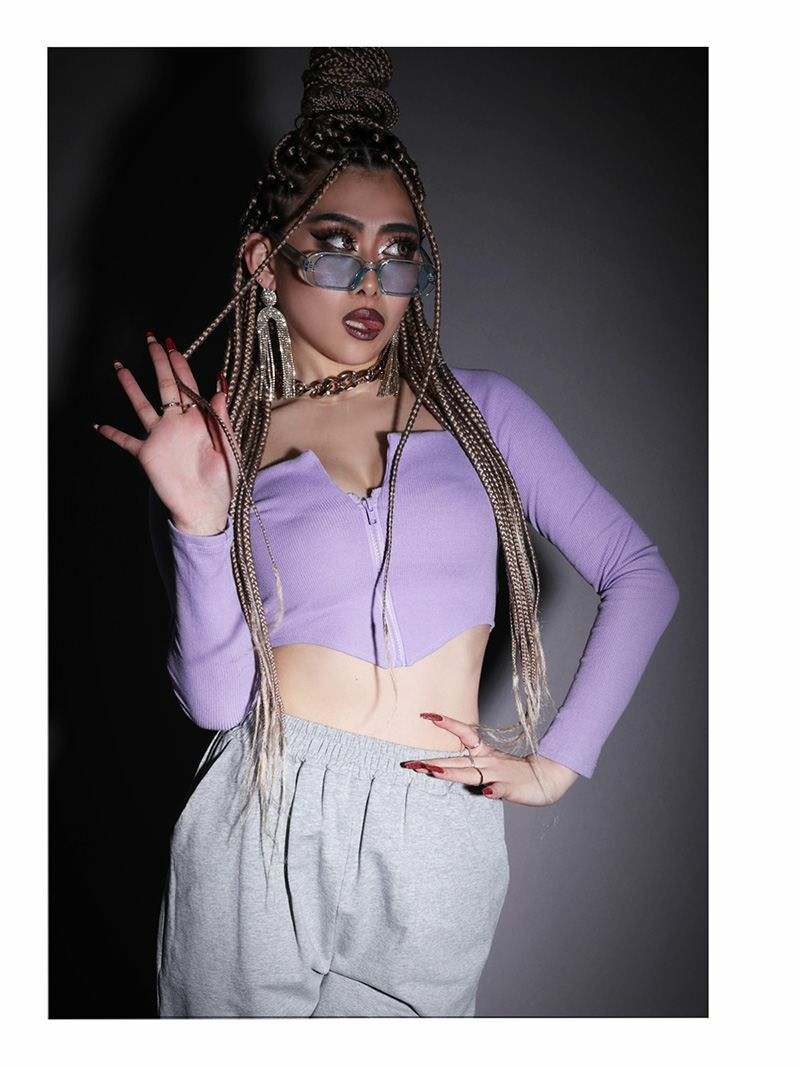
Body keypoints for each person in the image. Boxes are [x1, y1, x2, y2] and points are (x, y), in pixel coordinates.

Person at [94, 48, 680, 1018]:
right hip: (261, 812)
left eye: (399, 252)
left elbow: (639, 573)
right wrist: (198, 523)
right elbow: (214, 701)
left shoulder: (483, 411)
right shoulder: (223, 443)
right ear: (263, 261)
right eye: (334, 246)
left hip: (434, 829)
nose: (371, 279)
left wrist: (557, 758)